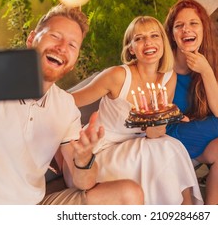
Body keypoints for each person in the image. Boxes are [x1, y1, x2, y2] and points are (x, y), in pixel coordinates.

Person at [0, 4, 144, 205]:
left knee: (129, 193)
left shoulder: (65, 106)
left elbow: (80, 182)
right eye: (54, 36)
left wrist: (84, 158)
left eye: (72, 45)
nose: (62, 47)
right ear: (31, 39)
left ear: (74, 60)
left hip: (33, 208)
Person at [71, 16, 203, 205]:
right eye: (139, 38)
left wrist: (168, 119)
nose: (148, 42)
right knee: (164, 149)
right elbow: (70, 100)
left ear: (163, 42)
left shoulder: (168, 77)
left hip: (142, 145)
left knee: (171, 146)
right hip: (106, 150)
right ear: (131, 48)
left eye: (154, 36)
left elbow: (153, 133)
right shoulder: (117, 76)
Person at [163, 0, 218, 205]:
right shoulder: (165, 63)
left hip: (195, 132)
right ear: (172, 33)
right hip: (169, 137)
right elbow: (159, 110)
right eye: (179, 25)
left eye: (193, 23)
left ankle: (210, 210)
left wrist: (205, 71)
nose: (187, 30)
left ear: (204, 28)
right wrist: (176, 114)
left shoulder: (211, 60)